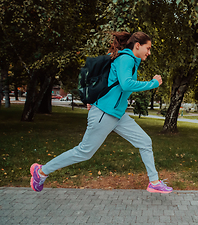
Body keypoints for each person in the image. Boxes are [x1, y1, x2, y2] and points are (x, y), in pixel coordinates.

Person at [30, 31, 172, 194]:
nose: (149, 52)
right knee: (84, 152)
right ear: (137, 45)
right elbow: (126, 84)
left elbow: (115, 84)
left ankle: (154, 182)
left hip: (116, 114)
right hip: (105, 113)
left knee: (145, 142)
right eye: (148, 48)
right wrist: (152, 83)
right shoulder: (126, 59)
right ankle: (41, 172)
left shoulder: (128, 60)